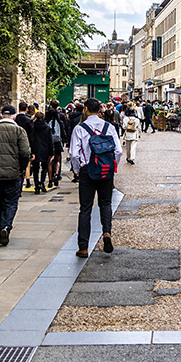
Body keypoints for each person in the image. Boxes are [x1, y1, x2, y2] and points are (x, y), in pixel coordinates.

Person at [69, 98, 122, 258]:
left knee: (85, 208)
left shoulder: (79, 128)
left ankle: (83, 247)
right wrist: (113, 167)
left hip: (87, 171)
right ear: (99, 110)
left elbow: (73, 153)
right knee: (105, 203)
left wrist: (77, 170)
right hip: (106, 170)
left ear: (85, 109)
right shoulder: (109, 127)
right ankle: (106, 231)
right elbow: (118, 151)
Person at [0, 105, 32, 246]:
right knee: (11, 202)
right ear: (14, 116)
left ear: (1, 115)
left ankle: (1, 227)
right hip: (13, 173)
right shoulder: (19, 131)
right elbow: (25, 153)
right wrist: (21, 168)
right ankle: (5, 227)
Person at [28, 107, 53, 193]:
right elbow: (50, 140)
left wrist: (31, 150)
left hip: (35, 149)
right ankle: (42, 182)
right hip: (45, 149)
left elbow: (30, 139)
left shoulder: (33, 127)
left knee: (36, 168)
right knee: (44, 167)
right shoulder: (47, 127)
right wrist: (51, 152)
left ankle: (36, 185)